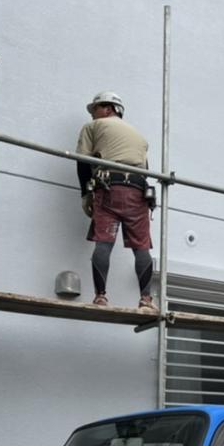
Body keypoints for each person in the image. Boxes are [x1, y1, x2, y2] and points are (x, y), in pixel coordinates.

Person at [76, 91, 157, 311]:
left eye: (95, 109)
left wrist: (85, 194)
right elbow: (145, 170)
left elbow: (82, 161)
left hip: (109, 187)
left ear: (108, 108)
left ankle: (100, 297)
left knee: (104, 242)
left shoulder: (92, 127)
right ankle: (146, 299)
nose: (93, 115)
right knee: (141, 247)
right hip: (138, 193)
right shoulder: (140, 138)